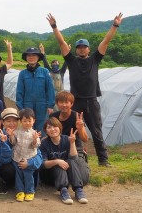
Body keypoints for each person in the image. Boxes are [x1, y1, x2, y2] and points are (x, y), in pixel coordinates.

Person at [47, 12, 123, 167]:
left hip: (91, 100)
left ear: (89, 49)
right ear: (76, 50)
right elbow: (62, 43)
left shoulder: (95, 59)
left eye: (84, 47)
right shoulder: (71, 60)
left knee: (96, 130)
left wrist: (115, 25)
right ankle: (73, 156)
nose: (82, 49)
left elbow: (106, 41)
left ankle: (103, 159)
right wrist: (54, 27)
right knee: (71, 129)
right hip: (74, 102)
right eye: (79, 47)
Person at [39, 117, 90, 205]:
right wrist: (57, 161)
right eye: (49, 127)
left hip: (67, 173)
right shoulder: (44, 143)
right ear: (46, 131)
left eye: (54, 127)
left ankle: (78, 190)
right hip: (51, 176)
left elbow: (74, 158)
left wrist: (72, 143)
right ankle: (63, 191)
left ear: (60, 128)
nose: (52, 129)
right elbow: (43, 164)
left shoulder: (66, 139)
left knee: (71, 161)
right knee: (58, 164)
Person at [16, 47, 55, 135]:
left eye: (34, 55)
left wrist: (50, 105)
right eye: (29, 55)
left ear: (38, 58)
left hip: (42, 105)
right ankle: (29, 148)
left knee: (42, 128)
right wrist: (21, 108)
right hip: (27, 105)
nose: (31, 57)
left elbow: (50, 89)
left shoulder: (44, 72)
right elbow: (19, 91)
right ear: (26, 58)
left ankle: (42, 147)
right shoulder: (22, 73)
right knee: (28, 128)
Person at [7, 108, 43, 202]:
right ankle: (20, 191)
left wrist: (35, 139)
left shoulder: (34, 133)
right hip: (17, 158)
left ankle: (30, 191)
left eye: (29, 121)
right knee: (18, 176)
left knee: (28, 175)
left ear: (34, 120)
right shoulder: (16, 131)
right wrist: (11, 135)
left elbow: (36, 145)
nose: (27, 123)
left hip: (29, 159)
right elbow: (13, 143)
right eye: (24, 121)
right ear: (20, 121)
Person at [50, 91, 89, 162]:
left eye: (66, 102)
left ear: (71, 104)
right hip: (58, 149)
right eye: (61, 102)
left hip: (75, 147)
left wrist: (80, 128)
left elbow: (85, 139)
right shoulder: (53, 117)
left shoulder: (77, 117)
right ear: (57, 103)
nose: (64, 105)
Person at [0, 108, 18, 195]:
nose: (12, 124)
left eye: (14, 121)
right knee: (8, 170)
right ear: (3, 122)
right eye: (8, 121)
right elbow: (5, 160)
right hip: (6, 164)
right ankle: (4, 181)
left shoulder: (21, 134)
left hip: (19, 163)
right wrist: (4, 143)